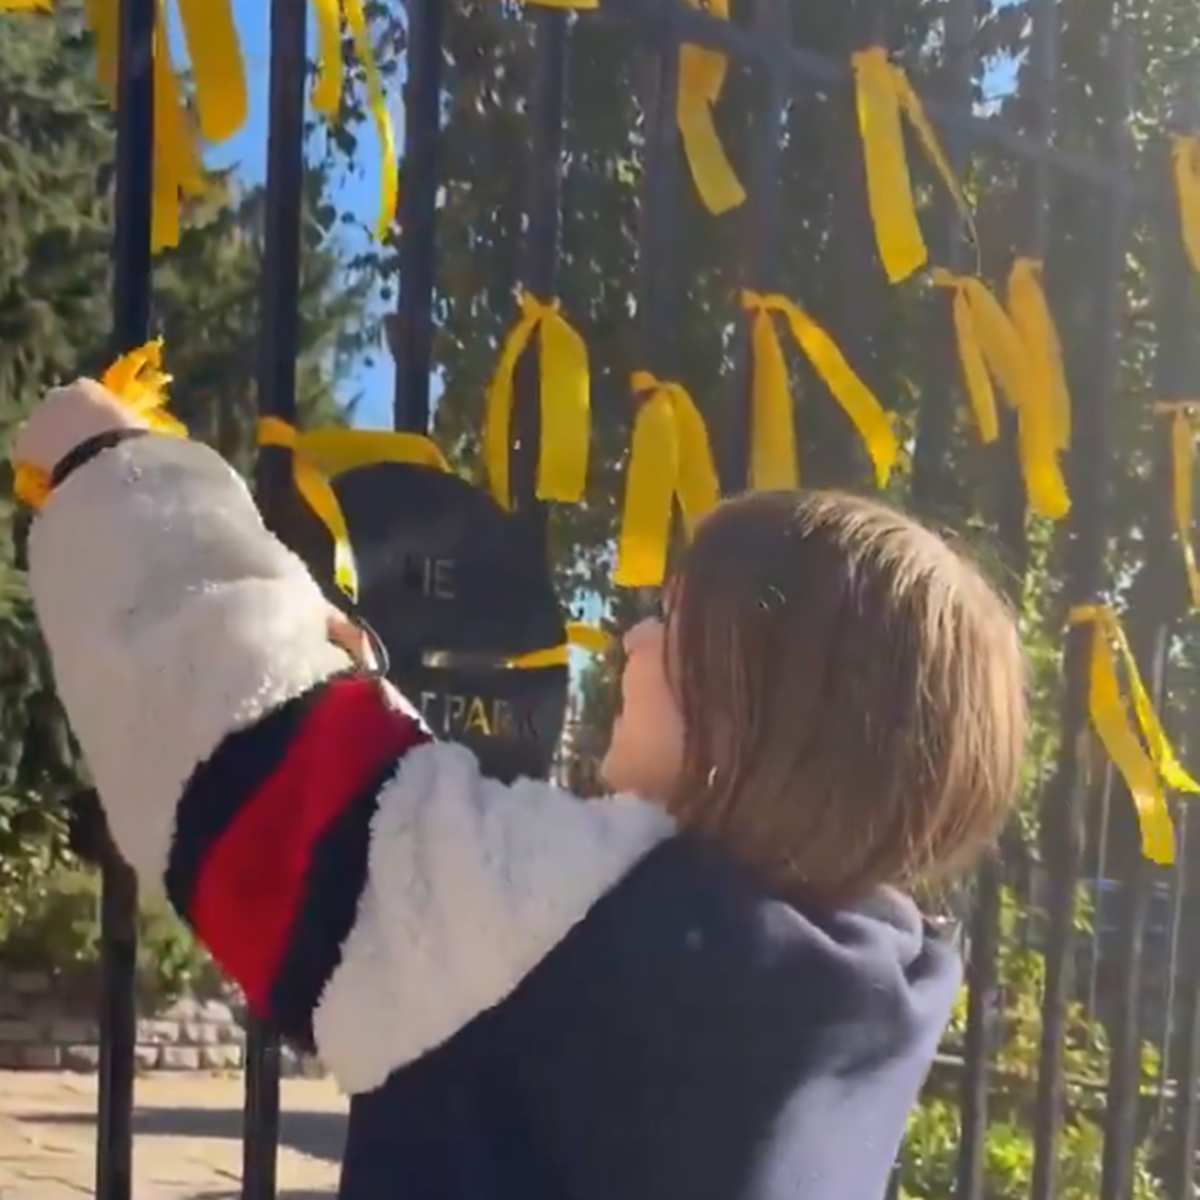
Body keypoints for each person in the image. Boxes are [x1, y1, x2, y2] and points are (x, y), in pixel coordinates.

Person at [16, 378, 1027, 1200]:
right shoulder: (876, 983)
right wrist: (367, 704)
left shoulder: (603, 932)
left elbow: (245, 743)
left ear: (760, 711)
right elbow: (456, 879)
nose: (633, 641)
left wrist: (111, 470)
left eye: (676, 625)